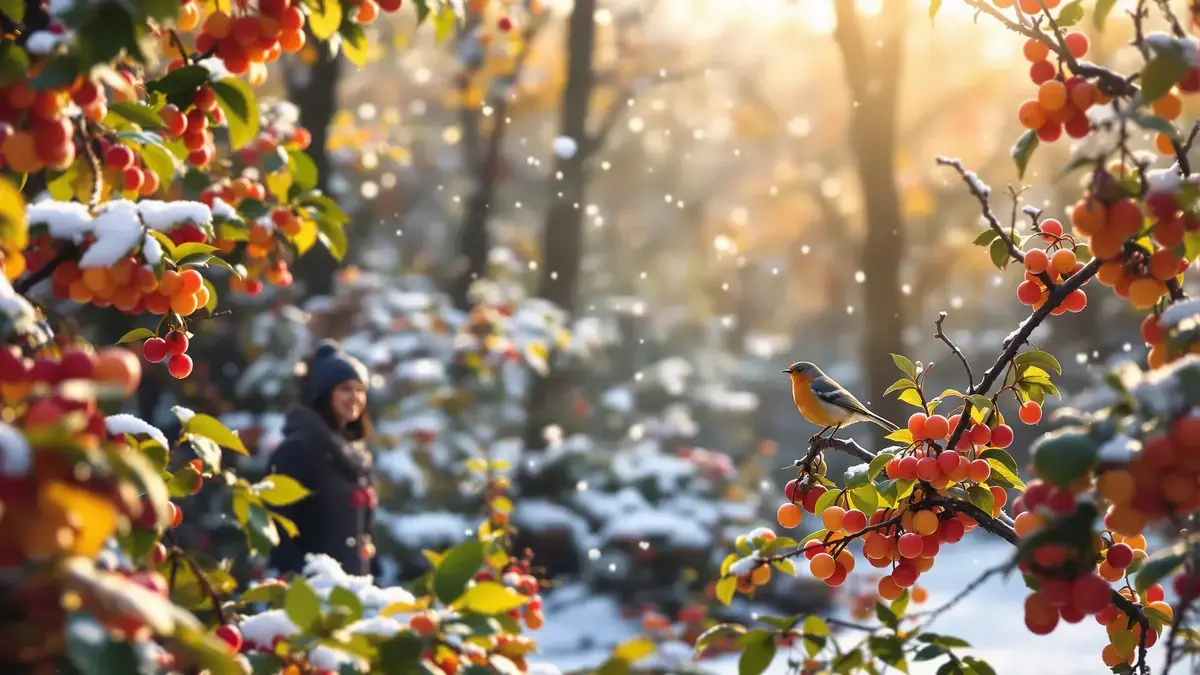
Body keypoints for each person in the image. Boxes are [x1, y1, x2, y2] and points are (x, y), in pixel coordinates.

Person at [268, 339, 379, 577]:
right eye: (345, 389)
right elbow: (275, 524)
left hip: (352, 586)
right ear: (324, 393)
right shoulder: (298, 449)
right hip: (312, 588)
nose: (355, 397)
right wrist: (300, 574)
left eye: (360, 389)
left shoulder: (357, 456)